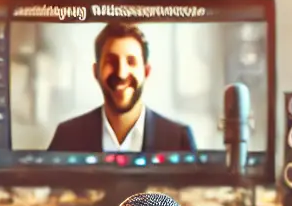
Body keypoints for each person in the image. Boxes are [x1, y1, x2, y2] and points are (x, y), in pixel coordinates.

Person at [47, 23, 196, 152]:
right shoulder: (67, 137)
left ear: (146, 71)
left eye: (131, 61)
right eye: (111, 61)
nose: (121, 73)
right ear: (96, 72)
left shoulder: (178, 139)